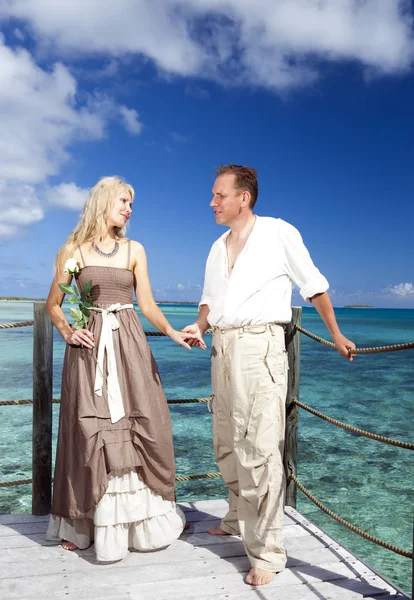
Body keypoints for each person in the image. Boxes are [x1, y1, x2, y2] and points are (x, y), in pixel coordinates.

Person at [183, 164, 356, 587]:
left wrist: (335, 333)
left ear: (244, 197)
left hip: (260, 349)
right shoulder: (215, 246)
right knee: (225, 441)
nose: (212, 202)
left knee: (258, 448)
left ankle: (268, 552)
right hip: (222, 348)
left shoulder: (279, 232)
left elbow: (313, 287)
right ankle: (237, 516)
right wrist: (199, 327)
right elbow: (210, 299)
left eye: (219, 195)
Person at [45, 176, 205, 561]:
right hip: (89, 350)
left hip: (128, 344)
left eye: (131, 203)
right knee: (88, 429)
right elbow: (52, 303)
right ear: (103, 201)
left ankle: (139, 525)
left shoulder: (135, 249)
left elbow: (146, 304)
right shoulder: (73, 250)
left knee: (142, 422)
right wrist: (69, 332)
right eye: (124, 201)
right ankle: (83, 524)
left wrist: (173, 334)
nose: (129, 209)